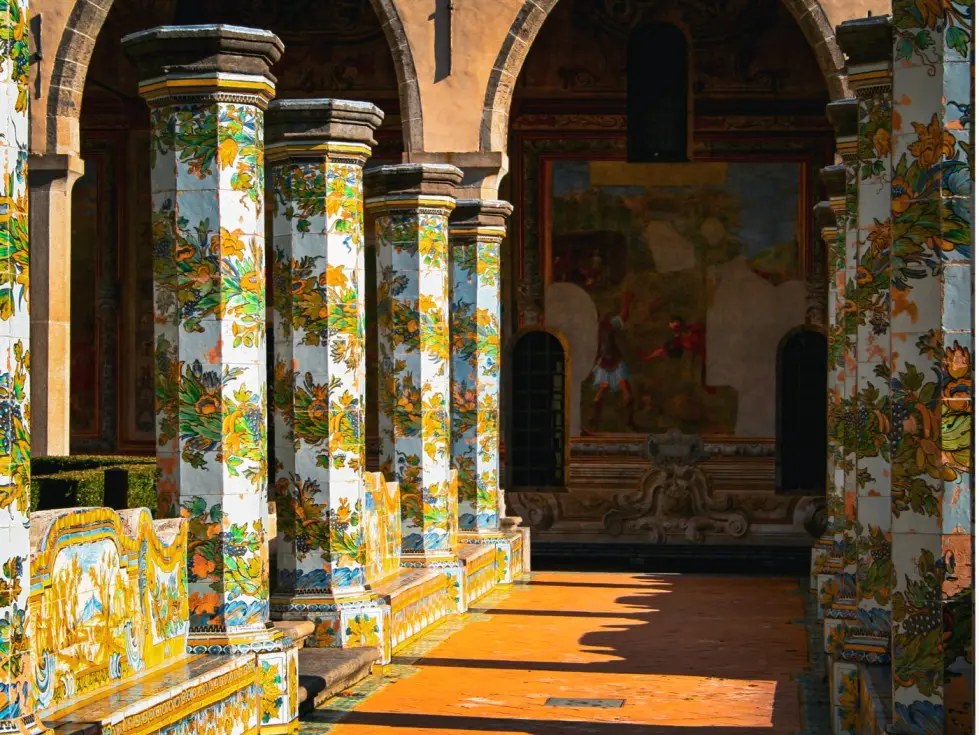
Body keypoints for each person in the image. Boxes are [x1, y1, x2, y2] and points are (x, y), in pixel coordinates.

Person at [586, 291, 641, 433]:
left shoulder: (606, 326)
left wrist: (627, 303)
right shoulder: (595, 331)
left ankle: (629, 422)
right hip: (607, 363)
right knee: (603, 393)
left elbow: (623, 317)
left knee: (625, 392)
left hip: (613, 362)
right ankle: (595, 421)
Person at [641, 315, 716, 394]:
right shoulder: (680, 341)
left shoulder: (696, 327)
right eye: (673, 328)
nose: (674, 330)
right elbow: (662, 350)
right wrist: (648, 357)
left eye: (675, 327)